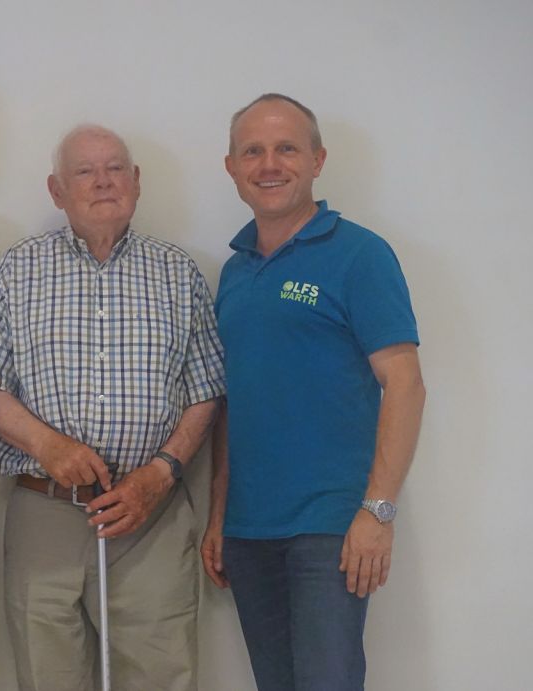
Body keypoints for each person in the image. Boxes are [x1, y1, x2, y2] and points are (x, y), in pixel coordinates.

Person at [0, 124, 224, 691]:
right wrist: (48, 445)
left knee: (161, 676)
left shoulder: (179, 274)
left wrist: (161, 472)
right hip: (45, 511)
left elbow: (206, 392)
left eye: (115, 168)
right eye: (85, 171)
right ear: (57, 190)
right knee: (48, 676)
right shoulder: (19, 270)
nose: (103, 181)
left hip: (150, 515)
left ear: (136, 181)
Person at [200, 93, 426, 690]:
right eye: (253, 151)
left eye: (287, 149)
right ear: (232, 167)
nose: (269, 164)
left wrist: (378, 511)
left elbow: (405, 383)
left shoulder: (359, 254)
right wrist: (220, 514)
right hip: (248, 531)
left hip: (330, 528)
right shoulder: (235, 271)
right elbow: (232, 403)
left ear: (318, 160)